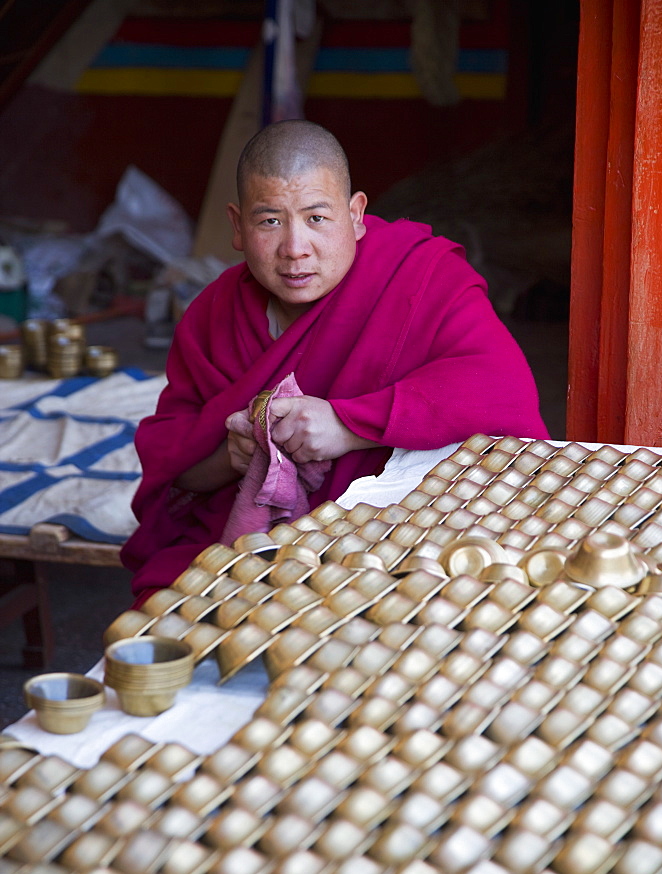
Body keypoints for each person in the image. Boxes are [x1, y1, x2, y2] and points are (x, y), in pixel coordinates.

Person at [121, 119, 548, 598]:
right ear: (237, 227)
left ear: (356, 213)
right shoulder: (214, 315)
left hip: (403, 537)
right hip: (258, 549)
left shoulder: (419, 277)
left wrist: (347, 426)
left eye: (317, 218)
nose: (295, 249)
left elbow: (500, 388)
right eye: (270, 221)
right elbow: (174, 466)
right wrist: (232, 457)